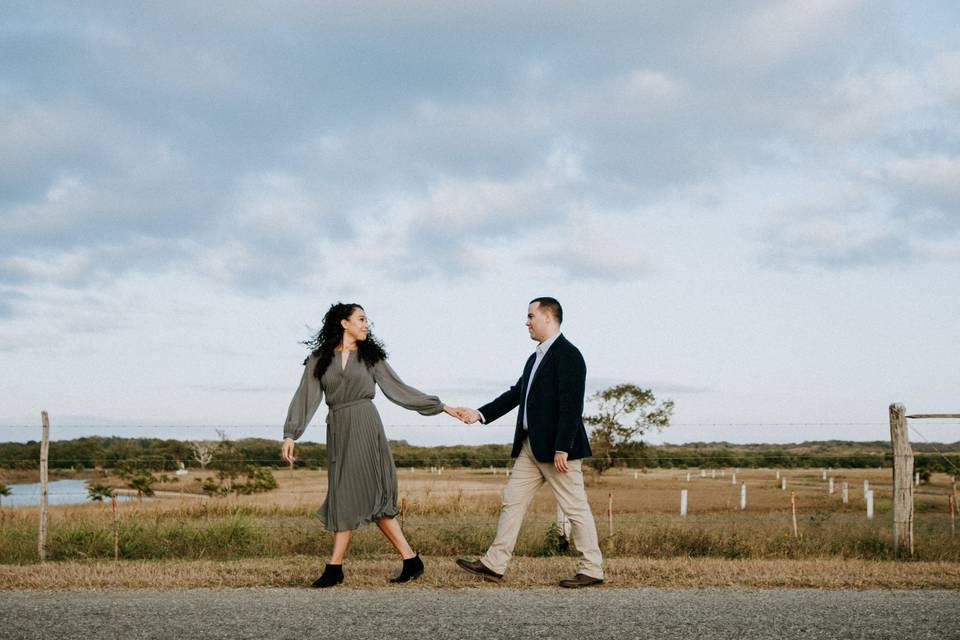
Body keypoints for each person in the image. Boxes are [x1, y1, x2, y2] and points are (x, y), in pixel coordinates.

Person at [281, 302, 463, 587]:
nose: (367, 325)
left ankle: (334, 567)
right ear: (344, 323)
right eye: (361, 319)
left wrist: (442, 407)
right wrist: (291, 433)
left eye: (367, 320)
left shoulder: (371, 358)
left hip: (365, 425)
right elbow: (305, 397)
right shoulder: (319, 359)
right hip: (339, 428)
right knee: (354, 495)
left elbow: (400, 390)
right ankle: (410, 559)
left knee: (356, 493)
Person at [455, 297, 604, 588]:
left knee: (575, 508)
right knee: (512, 499)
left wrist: (563, 446)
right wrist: (480, 413)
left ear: (548, 317)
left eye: (531, 316)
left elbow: (572, 405)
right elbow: (515, 395)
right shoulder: (535, 357)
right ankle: (494, 564)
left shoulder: (569, 355)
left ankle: (593, 569)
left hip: (558, 451)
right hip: (530, 447)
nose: (527, 322)